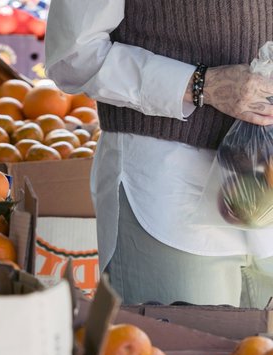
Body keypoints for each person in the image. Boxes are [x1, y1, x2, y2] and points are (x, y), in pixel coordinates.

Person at [44, 0, 273, 306]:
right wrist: (201, 84)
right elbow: (73, 55)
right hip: (171, 195)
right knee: (182, 349)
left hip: (264, 186)